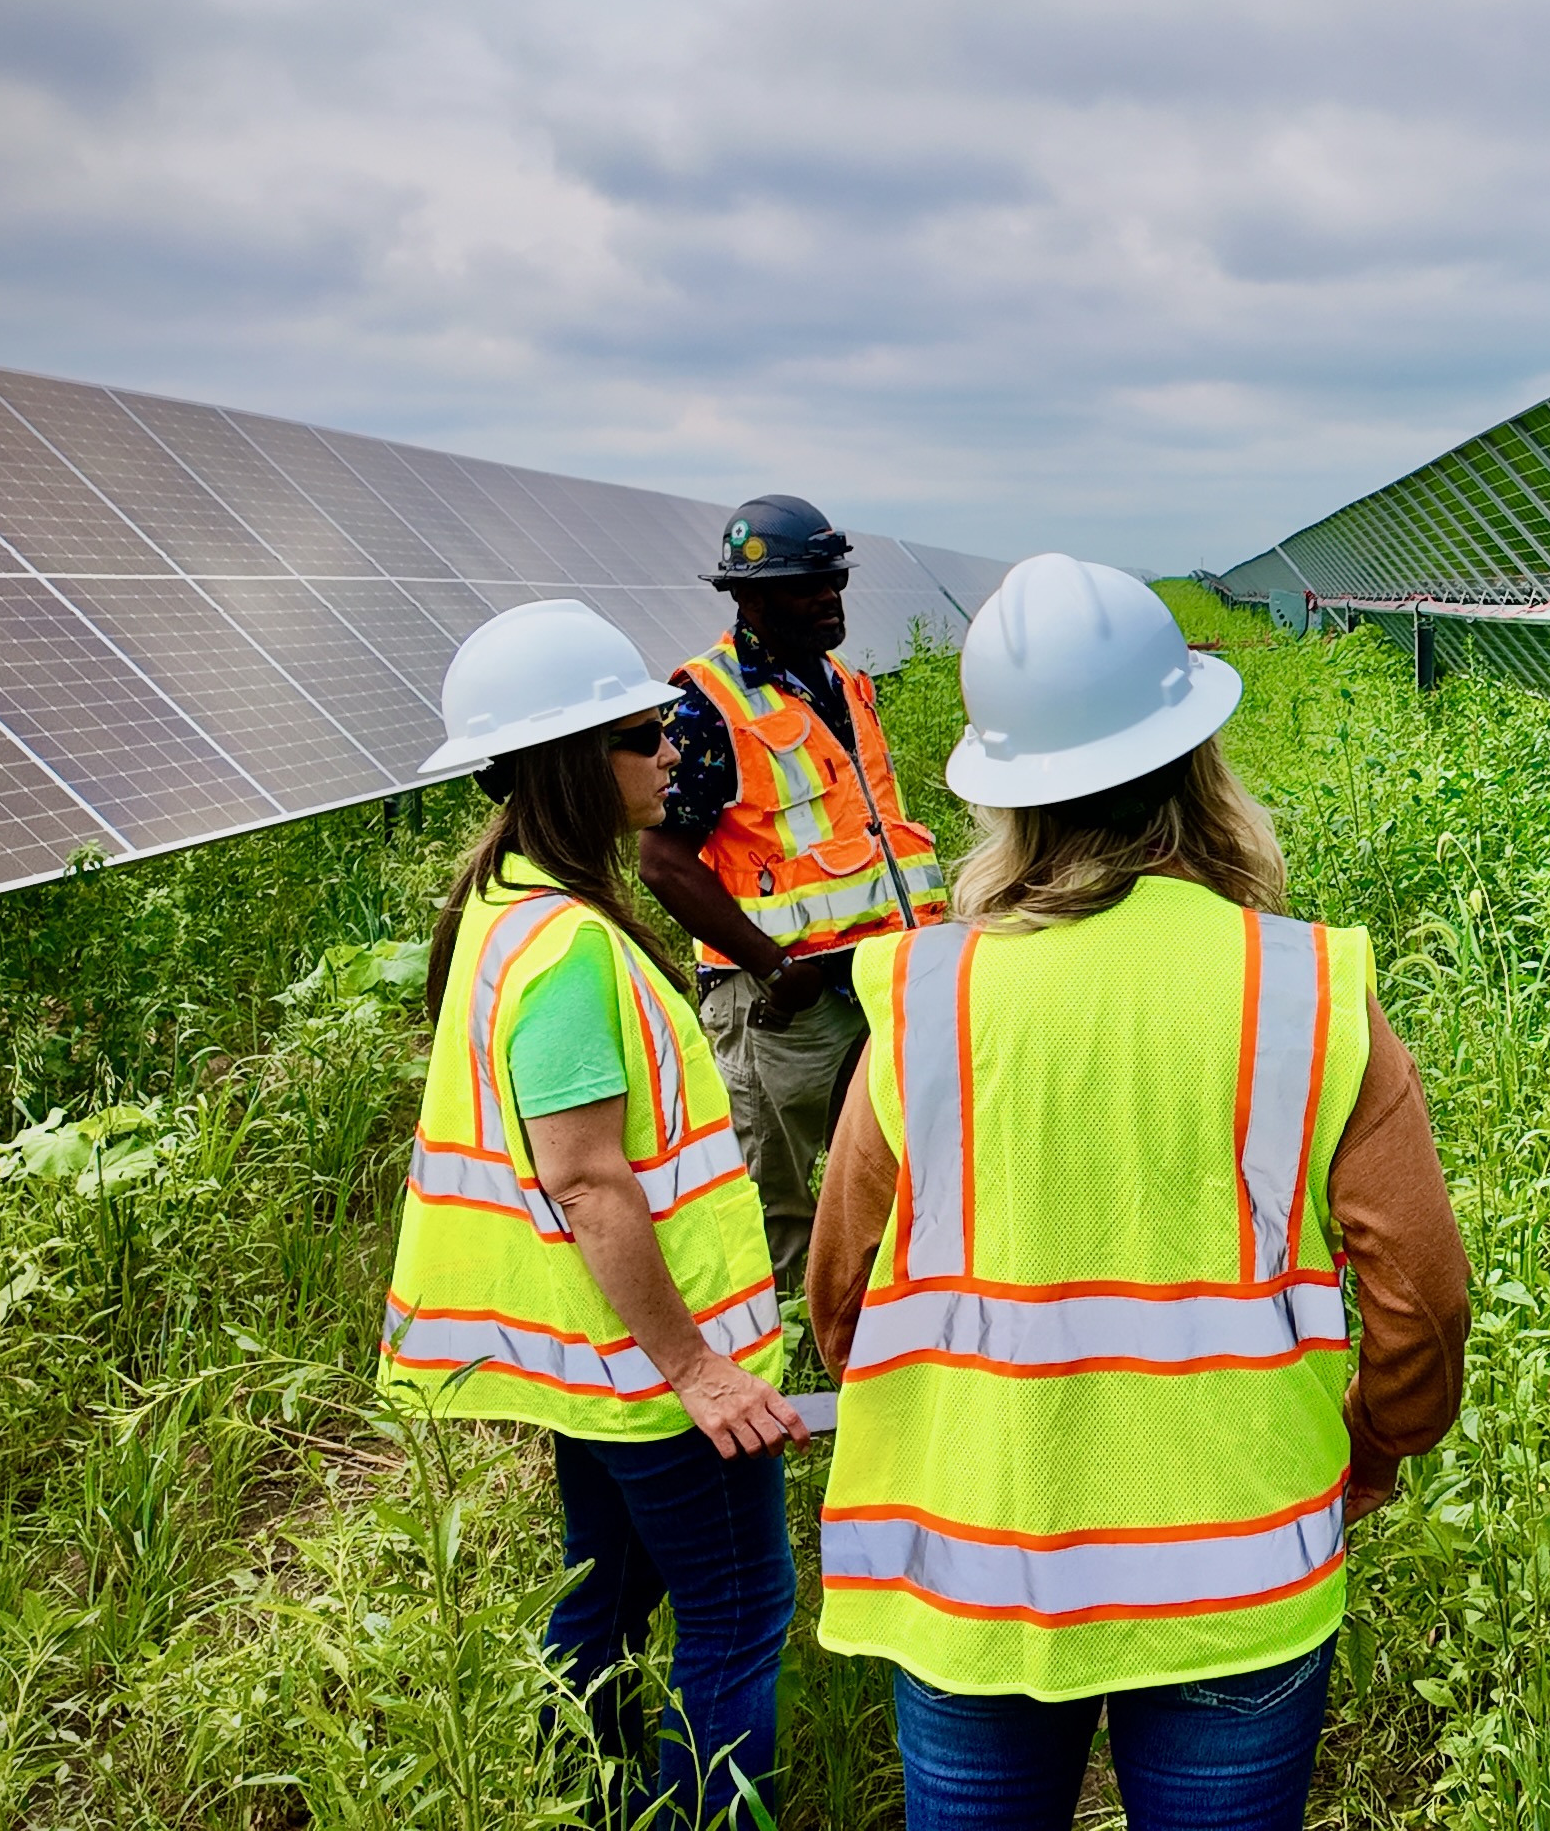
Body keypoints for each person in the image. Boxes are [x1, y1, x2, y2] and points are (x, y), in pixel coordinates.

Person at [804, 555, 1473, 1831]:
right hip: (1237, 1565)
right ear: (1198, 759)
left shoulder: (922, 999)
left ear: (1006, 799)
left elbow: (846, 1299)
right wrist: (1375, 1444)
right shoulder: (1309, 993)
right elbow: (1421, 1303)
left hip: (971, 1561)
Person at [380, 597, 813, 1828]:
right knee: (735, 1625)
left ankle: (593, 1801)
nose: (675, 745)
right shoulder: (567, 945)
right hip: (655, 1374)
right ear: (579, 762)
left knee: (608, 1598)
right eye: (646, 731)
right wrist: (700, 1371)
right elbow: (583, 1175)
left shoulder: (507, 907)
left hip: (597, 1360)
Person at [640, 493, 948, 1307]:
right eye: (808, 584)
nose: (830, 597)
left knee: (884, 1160)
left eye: (835, 579)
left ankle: (863, 1318)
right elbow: (662, 861)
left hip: (872, 982)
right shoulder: (710, 704)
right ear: (751, 597)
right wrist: (776, 969)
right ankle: (773, 1344)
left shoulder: (844, 684)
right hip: (779, 999)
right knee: (770, 1190)